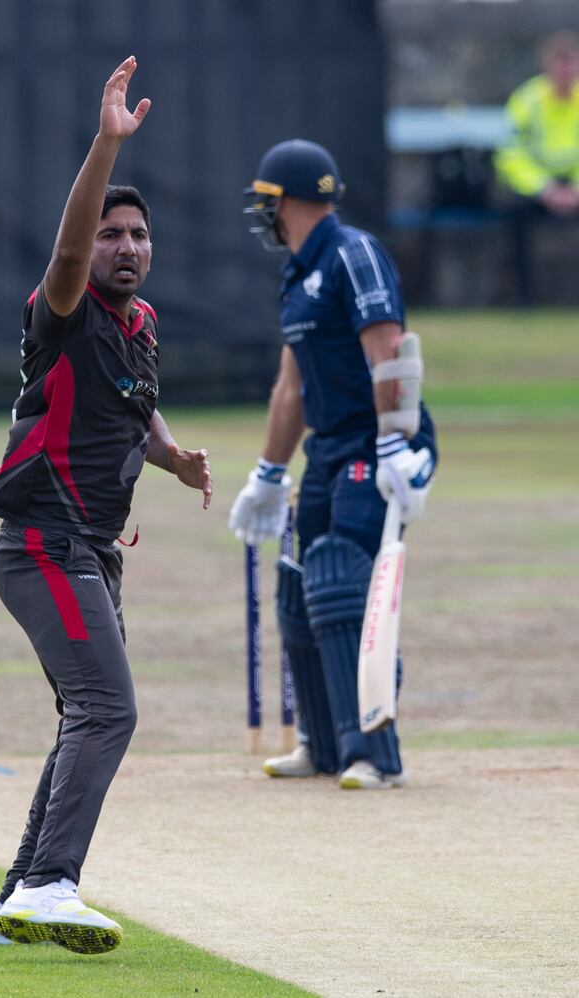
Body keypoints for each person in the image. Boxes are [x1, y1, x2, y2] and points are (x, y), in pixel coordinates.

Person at [0, 56, 212, 954]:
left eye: (138, 235)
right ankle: (51, 884)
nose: (125, 246)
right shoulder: (64, 304)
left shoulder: (139, 325)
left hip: (91, 551)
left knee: (86, 713)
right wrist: (106, 148)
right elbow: (68, 255)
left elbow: (133, 406)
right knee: (109, 710)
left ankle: (11, 902)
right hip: (43, 544)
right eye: (113, 233)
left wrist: (173, 458)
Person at [229, 139, 436, 790]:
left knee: (342, 578)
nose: (263, 215)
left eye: (267, 203)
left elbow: (391, 351)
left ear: (287, 201)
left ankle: (373, 751)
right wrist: (267, 474)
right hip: (327, 446)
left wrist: (397, 442)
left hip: (376, 442)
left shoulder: (355, 254)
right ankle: (321, 743)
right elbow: (291, 388)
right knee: (299, 586)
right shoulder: (298, 272)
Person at [494, 30, 579, 304]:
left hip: (575, 185)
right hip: (539, 187)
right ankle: (522, 297)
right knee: (513, 213)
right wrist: (546, 189)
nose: (565, 70)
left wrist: (575, 189)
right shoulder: (527, 100)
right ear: (548, 65)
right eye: (560, 63)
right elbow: (509, 153)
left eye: (571, 63)